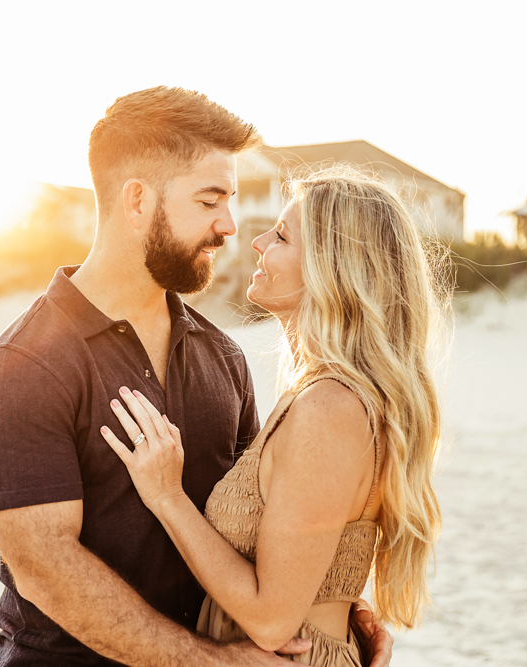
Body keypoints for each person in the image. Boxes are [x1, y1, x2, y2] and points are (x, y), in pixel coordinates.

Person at [0, 87, 394, 667]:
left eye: (231, 200)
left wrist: (333, 608)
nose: (230, 226)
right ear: (137, 201)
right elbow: (47, 574)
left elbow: (269, 523)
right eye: (210, 200)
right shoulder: (24, 367)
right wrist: (208, 663)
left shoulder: (222, 357)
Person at [101, 165, 447, 665]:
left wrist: (166, 496)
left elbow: (270, 620)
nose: (258, 241)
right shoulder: (330, 396)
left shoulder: (330, 407)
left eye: (282, 235)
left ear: (335, 269)